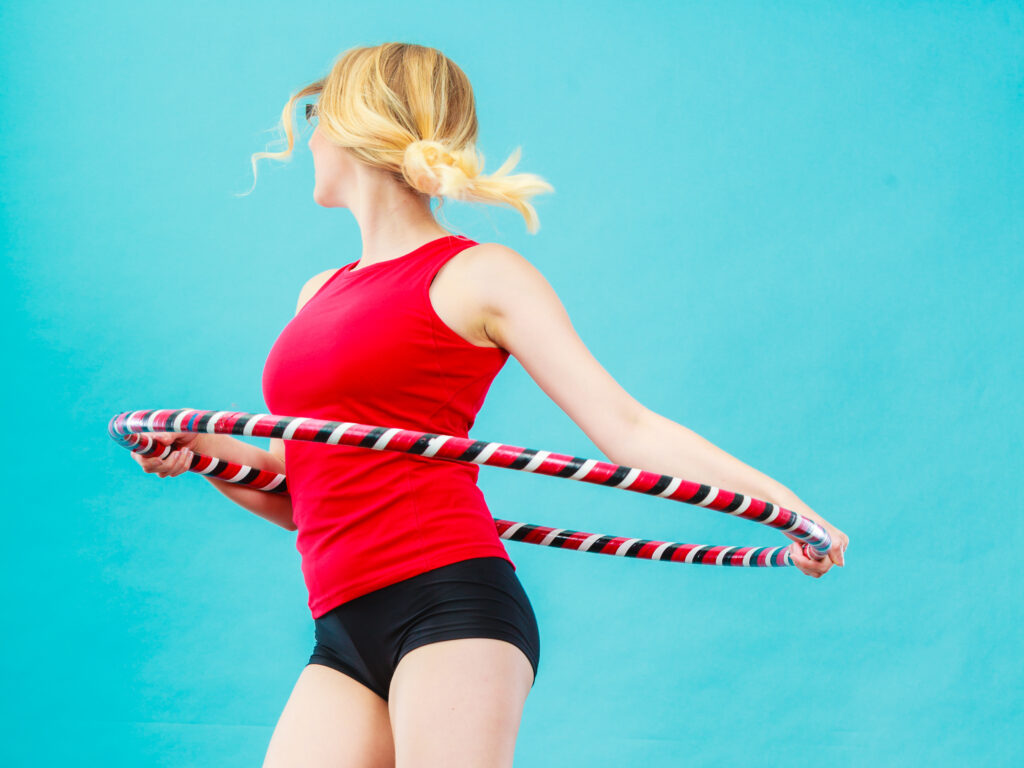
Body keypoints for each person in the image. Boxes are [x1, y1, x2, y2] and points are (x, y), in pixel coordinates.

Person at [132, 42, 849, 768]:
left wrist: (785, 507)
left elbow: (625, 426)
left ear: (356, 123)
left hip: (447, 601)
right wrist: (200, 455)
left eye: (317, 115)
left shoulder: (479, 275)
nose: (307, 137)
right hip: (340, 624)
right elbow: (304, 489)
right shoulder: (317, 294)